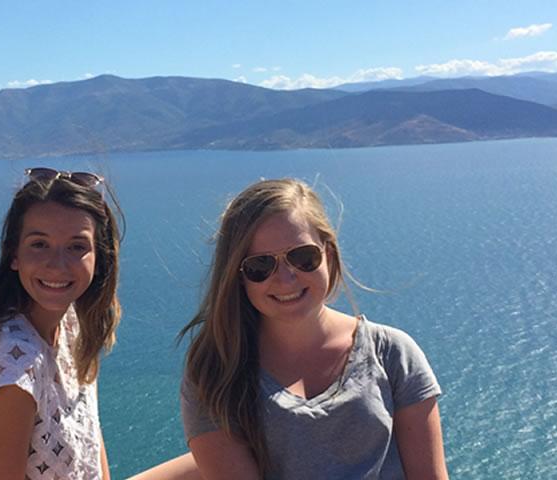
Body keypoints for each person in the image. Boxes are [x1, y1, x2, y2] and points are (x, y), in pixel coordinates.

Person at [179, 178, 447, 479]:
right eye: (260, 266)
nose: (285, 279)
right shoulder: (215, 373)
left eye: (302, 257)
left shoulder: (393, 354)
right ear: (238, 276)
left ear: (328, 255)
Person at [0, 167, 121, 480]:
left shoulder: (71, 325)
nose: (57, 264)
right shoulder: (11, 369)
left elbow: (91, 439)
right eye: (39, 244)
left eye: (77, 246)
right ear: (14, 254)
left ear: (99, 257)